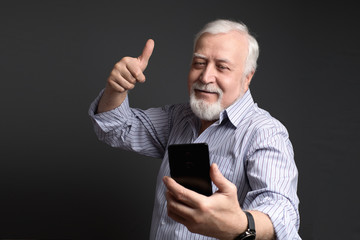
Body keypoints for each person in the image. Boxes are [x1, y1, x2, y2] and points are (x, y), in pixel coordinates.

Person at [88, 19, 300, 240]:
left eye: (222, 67)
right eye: (199, 63)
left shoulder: (264, 132)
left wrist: (240, 224)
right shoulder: (178, 118)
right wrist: (116, 89)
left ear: (247, 78)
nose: (205, 77)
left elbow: (282, 212)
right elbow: (115, 128)